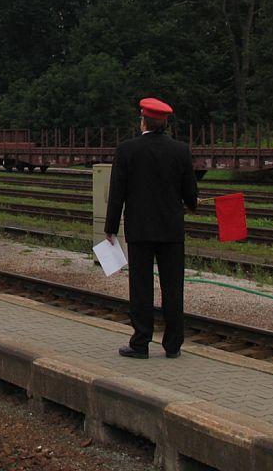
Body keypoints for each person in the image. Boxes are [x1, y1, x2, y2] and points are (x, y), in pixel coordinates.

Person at [104, 97, 197, 359]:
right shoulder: (181, 150)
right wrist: (192, 204)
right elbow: (189, 191)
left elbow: (117, 192)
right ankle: (173, 345)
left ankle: (141, 343)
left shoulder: (127, 150)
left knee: (141, 287)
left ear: (143, 120)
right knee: (173, 287)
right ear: (164, 123)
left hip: (140, 229)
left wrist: (110, 227)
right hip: (171, 230)